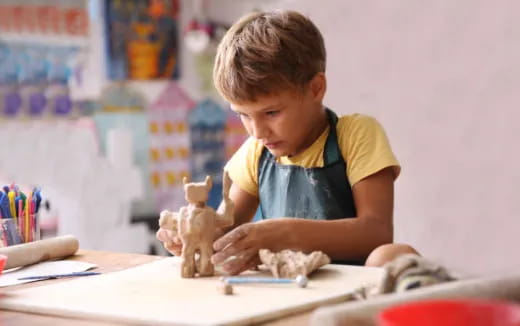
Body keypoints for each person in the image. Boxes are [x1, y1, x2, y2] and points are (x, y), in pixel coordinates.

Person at [156, 10, 418, 275]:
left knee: (393, 256)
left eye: (271, 113)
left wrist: (284, 233)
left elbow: (376, 232)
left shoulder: (355, 134)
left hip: (349, 291)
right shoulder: (256, 151)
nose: (257, 131)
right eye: (243, 115)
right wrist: (196, 236)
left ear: (315, 89)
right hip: (283, 288)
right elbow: (229, 230)